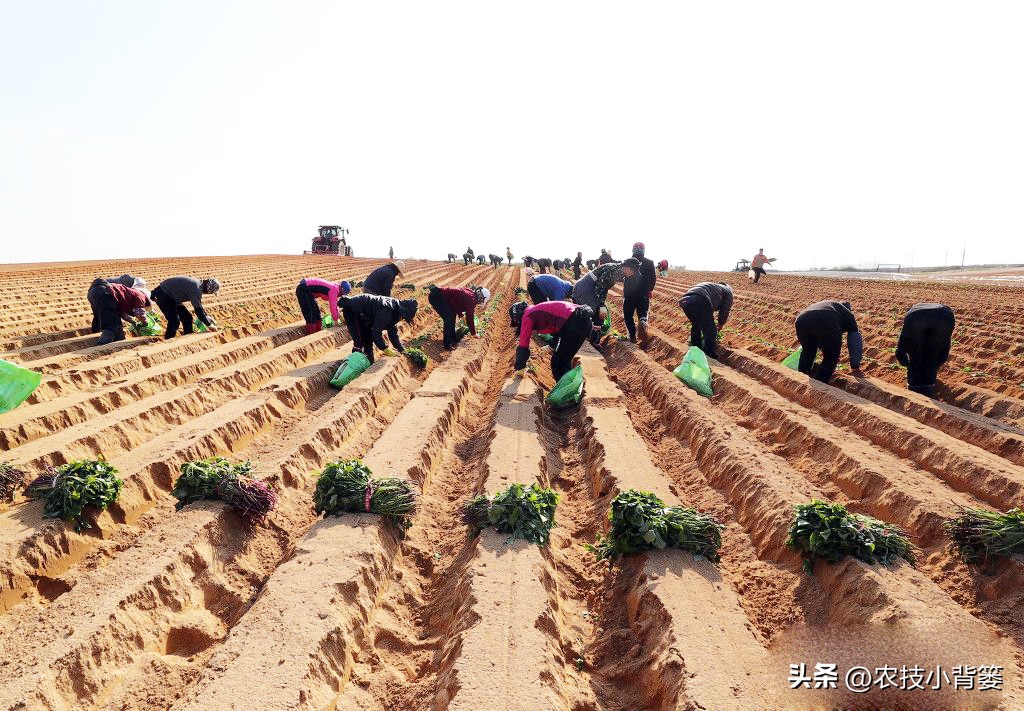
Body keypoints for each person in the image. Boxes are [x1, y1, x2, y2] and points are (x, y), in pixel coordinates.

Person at [510, 300, 594, 381]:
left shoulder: (527, 315)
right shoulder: (538, 310)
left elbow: (523, 344)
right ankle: (568, 387)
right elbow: (559, 329)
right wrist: (551, 346)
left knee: (558, 363)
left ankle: (564, 392)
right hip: (583, 322)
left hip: (575, 324)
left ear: (517, 317)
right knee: (564, 360)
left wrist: (520, 367)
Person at [795, 300, 863, 383]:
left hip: (801, 319)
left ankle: (801, 378)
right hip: (825, 319)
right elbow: (855, 341)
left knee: (808, 350)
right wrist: (855, 366)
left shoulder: (832, 306)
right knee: (831, 355)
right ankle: (820, 382)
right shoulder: (848, 315)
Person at [896, 303, 955, 396]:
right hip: (944, 317)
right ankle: (928, 388)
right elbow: (945, 343)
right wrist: (939, 362)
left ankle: (914, 389)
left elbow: (904, 339)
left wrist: (905, 361)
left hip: (916, 318)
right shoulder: (945, 311)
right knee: (932, 355)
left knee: (915, 356)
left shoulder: (912, 312)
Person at [340, 293, 418, 364]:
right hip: (352, 309)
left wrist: (401, 349)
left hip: (363, 314)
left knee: (368, 339)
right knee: (359, 340)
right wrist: (384, 348)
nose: (402, 319)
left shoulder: (395, 310)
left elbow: (393, 333)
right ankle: (353, 363)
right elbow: (376, 332)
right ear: (404, 313)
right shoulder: (387, 311)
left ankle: (369, 362)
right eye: (404, 318)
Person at [151, 276, 220, 339]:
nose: (208, 293)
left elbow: (199, 306)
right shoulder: (196, 289)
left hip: (173, 297)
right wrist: (209, 324)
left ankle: (188, 337)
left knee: (187, 318)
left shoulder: (198, 285)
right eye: (210, 292)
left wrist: (206, 316)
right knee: (174, 321)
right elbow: (198, 309)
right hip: (163, 295)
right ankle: (168, 340)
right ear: (209, 288)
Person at [678, 282, 733, 360]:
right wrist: (721, 324)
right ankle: (709, 355)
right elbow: (725, 310)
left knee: (696, 326)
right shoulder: (728, 292)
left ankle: (695, 350)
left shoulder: (713, 288)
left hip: (685, 301)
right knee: (710, 330)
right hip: (700, 299)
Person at [571, 261, 623, 344]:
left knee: (593, 313)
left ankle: (588, 337)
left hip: (587, 287)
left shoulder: (617, 269)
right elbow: (600, 287)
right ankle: (592, 340)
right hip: (587, 289)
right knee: (596, 314)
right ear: (627, 268)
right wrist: (601, 305)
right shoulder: (612, 270)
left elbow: (603, 288)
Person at [87, 279, 150, 345]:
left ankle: (117, 337)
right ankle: (103, 342)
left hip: (92, 292)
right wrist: (145, 323)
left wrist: (133, 322)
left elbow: (122, 314)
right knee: (111, 322)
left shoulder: (130, 294)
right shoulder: (141, 296)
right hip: (104, 292)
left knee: (101, 316)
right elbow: (139, 313)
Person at [429, 285, 490, 350]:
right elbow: (470, 318)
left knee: (452, 314)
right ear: (481, 297)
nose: (480, 302)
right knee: (448, 319)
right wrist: (474, 333)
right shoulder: (471, 300)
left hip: (440, 296)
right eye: (482, 300)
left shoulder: (471, 293)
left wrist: (460, 314)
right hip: (436, 297)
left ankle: (453, 338)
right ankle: (447, 345)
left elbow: (456, 301)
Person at [626, 242, 657, 342]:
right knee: (643, 314)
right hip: (644, 294)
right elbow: (653, 278)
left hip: (629, 294)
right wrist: (650, 290)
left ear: (633, 249)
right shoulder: (650, 262)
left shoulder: (628, 262)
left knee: (628, 315)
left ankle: (632, 336)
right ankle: (643, 322)